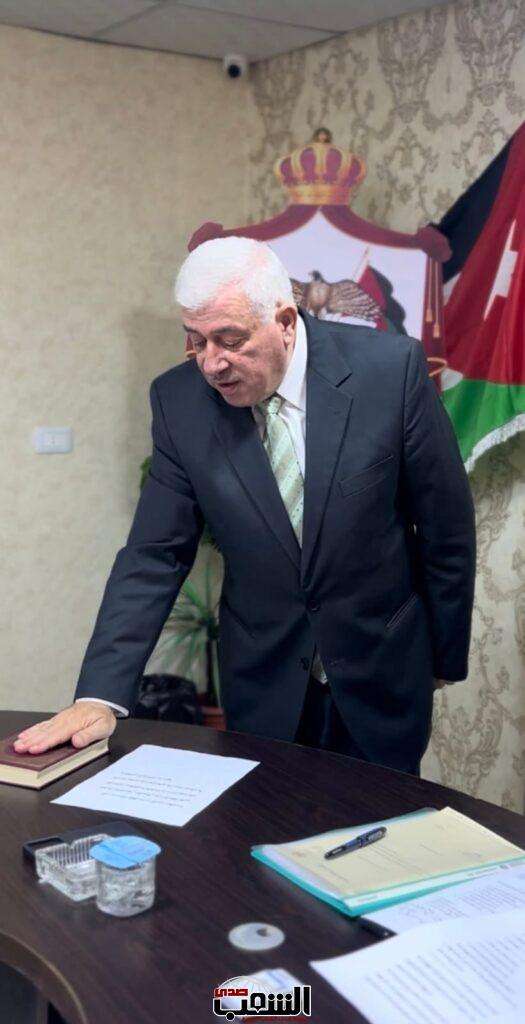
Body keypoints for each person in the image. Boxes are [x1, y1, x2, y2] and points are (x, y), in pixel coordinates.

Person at [15, 237, 476, 774]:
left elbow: (445, 528)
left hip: (383, 674)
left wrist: (441, 659)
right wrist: (100, 696)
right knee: (262, 825)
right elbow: (154, 554)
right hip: (264, 685)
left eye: (230, 340)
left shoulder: (389, 371)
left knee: (383, 825)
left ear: (284, 321)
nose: (212, 363)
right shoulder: (180, 403)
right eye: (196, 340)